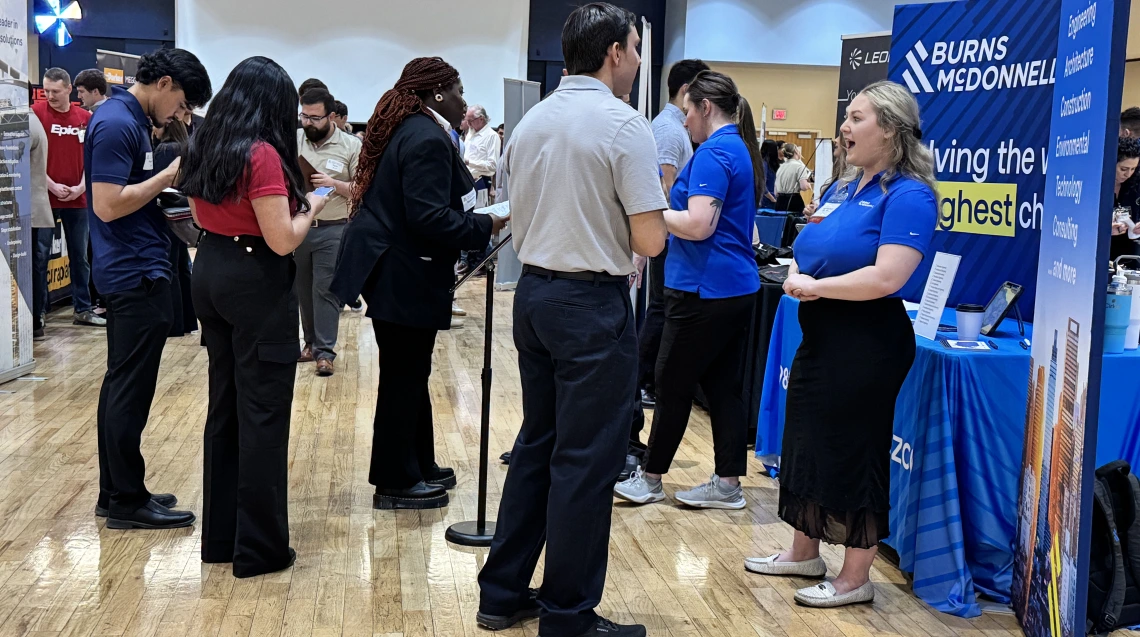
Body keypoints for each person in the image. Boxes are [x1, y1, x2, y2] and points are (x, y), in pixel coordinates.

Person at [477, 5, 668, 637]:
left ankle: (502, 593)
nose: (639, 63)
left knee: (538, 445)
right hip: (590, 306)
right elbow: (649, 241)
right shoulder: (623, 125)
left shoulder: (531, 121)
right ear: (615, 52)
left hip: (534, 298)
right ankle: (568, 614)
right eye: (636, 51)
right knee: (587, 461)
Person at [743, 80, 937, 609]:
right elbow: (808, 244)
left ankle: (856, 577)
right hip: (822, 333)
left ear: (891, 129)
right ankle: (803, 551)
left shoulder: (909, 195)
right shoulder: (842, 188)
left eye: (856, 119)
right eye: (847, 118)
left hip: (868, 342)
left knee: (855, 451)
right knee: (807, 442)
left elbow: (887, 277)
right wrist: (800, 271)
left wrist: (816, 286)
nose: (844, 128)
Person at [331, 57, 504, 510]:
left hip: (394, 267)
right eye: (460, 91)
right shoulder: (425, 136)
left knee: (411, 373)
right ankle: (394, 480)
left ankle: (417, 462)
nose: (465, 103)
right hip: (402, 270)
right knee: (403, 377)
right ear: (439, 93)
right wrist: (486, 225)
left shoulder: (410, 127)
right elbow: (428, 218)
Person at [181, 56, 322, 576]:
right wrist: (310, 209)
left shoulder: (205, 141)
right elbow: (281, 239)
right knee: (263, 411)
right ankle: (260, 549)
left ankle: (221, 539)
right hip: (254, 280)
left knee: (225, 406)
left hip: (210, 269)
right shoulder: (261, 154)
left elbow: (197, 216)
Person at [614, 69, 764, 510]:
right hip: (727, 287)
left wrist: (649, 212)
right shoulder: (735, 148)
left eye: (687, 114)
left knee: (672, 381)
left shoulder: (716, 153)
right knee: (721, 386)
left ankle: (653, 477)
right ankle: (728, 483)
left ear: (705, 108)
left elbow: (699, 224)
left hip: (705, 289)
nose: (684, 124)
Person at [86, 47, 212, 530]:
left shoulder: (130, 120)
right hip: (130, 272)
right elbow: (107, 205)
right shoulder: (119, 123)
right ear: (163, 83)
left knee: (125, 385)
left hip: (140, 266)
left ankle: (118, 490)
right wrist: (167, 177)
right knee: (129, 390)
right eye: (181, 103)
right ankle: (124, 501)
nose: (181, 114)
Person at [625, 57, 709, 471]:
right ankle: (640, 385)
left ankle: (641, 387)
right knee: (656, 317)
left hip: (672, 240)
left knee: (658, 317)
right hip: (667, 240)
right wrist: (648, 244)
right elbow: (660, 189)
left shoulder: (677, 128)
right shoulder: (667, 128)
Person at [296, 88, 361, 376]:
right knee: (302, 290)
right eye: (304, 116)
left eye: (314, 117)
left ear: (331, 116)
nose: (308, 123)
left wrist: (333, 184)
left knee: (325, 289)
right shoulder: (294, 140)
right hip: (297, 226)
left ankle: (325, 352)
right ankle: (308, 344)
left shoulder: (351, 146)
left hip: (334, 228)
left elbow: (361, 191)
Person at [33, 68, 102, 327]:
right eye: (46, 90)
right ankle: (38, 313)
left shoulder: (85, 117)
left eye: (55, 91)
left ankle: (83, 308)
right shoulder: (36, 114)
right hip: (44, 199)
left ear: (69, 89)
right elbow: (29, 157)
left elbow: (92, 158)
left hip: (78, 199)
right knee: (39, 257)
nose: (49, 96)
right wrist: (49, 185)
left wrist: (82, 187)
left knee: (80, 256)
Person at [151, 119, 197, 337]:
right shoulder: (186, 147)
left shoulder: (165, 149)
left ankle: (174, 324)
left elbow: (157, 185)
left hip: (168, 213)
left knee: (170, 269)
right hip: (183, 214)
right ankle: (187, 320)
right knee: (181, 268)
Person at [29, 115, 52, 340]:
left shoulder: (24, 123)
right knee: (34, 266)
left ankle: (34, 320)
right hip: (29, 209)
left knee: (32, 269)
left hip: (28, 210)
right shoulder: (33, 119)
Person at [463, 104, 500, 208]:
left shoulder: (492, 136)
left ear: (481, 119)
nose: (468, 124)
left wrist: (468, 162)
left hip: (480, 182)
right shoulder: (470, 133)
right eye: (467, 120)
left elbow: (493, 166)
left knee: (478, 215)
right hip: (466, 181)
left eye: (470, 120)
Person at [1110, 136, 1140, 261]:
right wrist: (1105, 229)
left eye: (1133, 169)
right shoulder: (1095, 187)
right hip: (1100, 254)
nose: (1128, 174)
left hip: (1130, 256)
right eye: (1123, 169)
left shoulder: (1136, 184)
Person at [760, 139, 781, 205]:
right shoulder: (764, 164)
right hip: (767, 200)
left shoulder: (770, 163)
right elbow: (762, 185)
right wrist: (772, 199)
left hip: (772, 197)